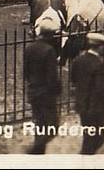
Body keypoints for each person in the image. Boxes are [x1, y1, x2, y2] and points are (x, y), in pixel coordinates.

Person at [23, 17, 61, 153]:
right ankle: (36, 149)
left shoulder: (29, 48)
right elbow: (52, 76)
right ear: (49, 35)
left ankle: (38, 150)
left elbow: (25, 72)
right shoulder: (49, 50)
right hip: (45, 94)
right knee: (52, 127)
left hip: (33, 91)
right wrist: (56, 90)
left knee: (39, 123)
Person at [71, 32, 104, 154]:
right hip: (95, 107)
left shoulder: (78, 60)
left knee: (88, 135)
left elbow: (74, 80)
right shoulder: (99, 65)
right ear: (99, 47)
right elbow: (101, 90)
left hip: (82, 104)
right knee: (98, 138)